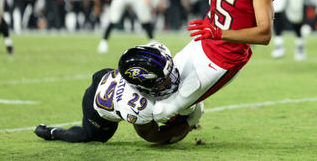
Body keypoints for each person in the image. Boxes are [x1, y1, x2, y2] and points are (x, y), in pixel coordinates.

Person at [34, 43, 203, 144]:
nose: (172, 78)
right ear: (144, 87)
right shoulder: (136, 106)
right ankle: (52, 132)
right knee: (90, 137)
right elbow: (152, 136)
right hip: (97, 107)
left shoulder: (157, 50)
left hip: (110, 77)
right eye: (163, 80)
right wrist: (186, 126)